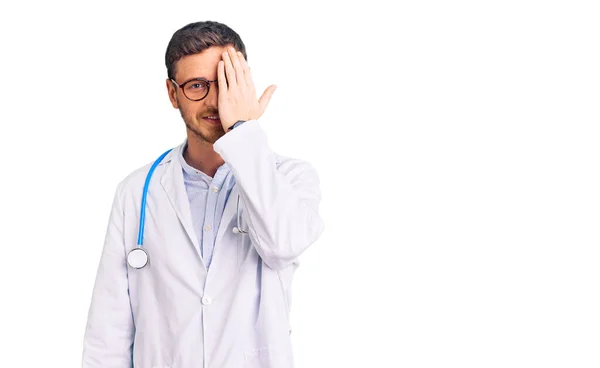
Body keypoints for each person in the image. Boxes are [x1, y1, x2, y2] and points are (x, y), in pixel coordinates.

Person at [82, 21, 325, 368]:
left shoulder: (289, 178)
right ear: (172, 93)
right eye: (197, 85)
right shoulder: (136, 192)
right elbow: (108, 334)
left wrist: (242, 131)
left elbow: (282, 242)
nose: (214, 101)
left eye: (225, 83)